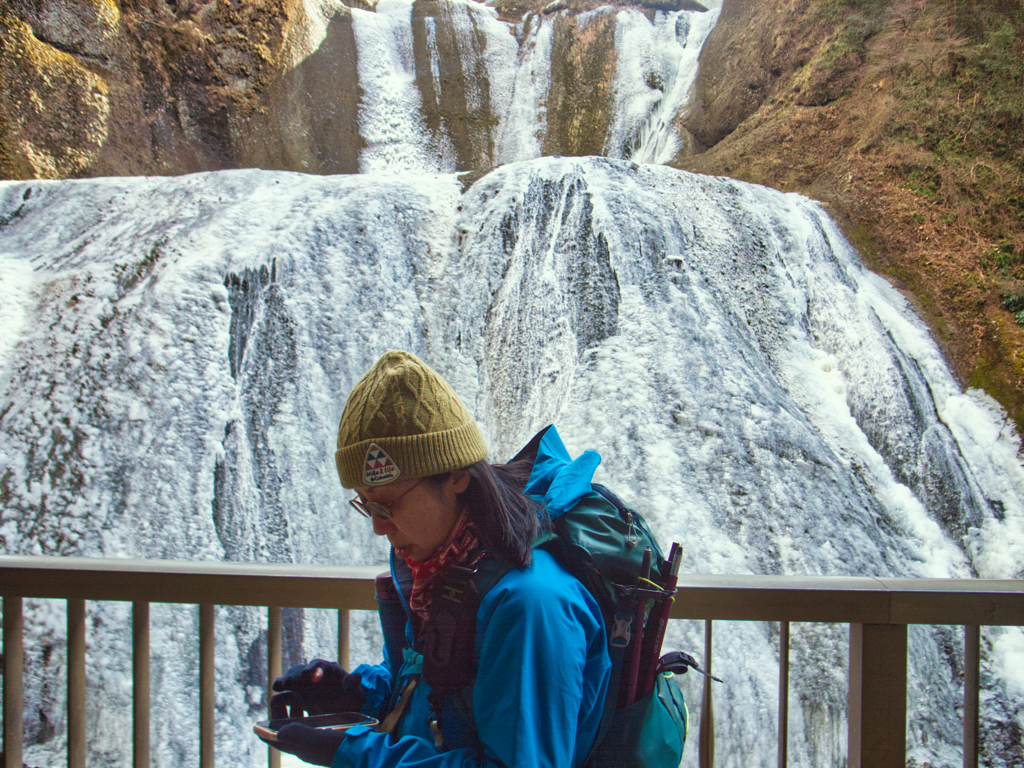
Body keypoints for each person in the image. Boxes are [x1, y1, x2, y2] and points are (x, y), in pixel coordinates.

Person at [265, 350, 612, 768]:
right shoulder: (452, 565)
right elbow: (439, 698)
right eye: (368, 506)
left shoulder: (529, 606)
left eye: (389, 505)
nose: (378, 527)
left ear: (456, 476)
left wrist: (354, 754)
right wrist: (359, 693)